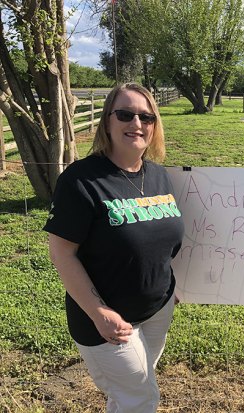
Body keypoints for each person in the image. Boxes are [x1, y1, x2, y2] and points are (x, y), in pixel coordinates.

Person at [44, 83, 184, 412]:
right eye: (125, 114)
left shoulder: (159, 175)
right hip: (109, 323)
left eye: (146, 117)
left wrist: (169, 288)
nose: (137, 123)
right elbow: (62, 253)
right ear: (107, 121)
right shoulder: (81, 181)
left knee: (131, 392)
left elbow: (162, 240)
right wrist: (99, 312)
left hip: (158, 310)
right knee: (141, 398)